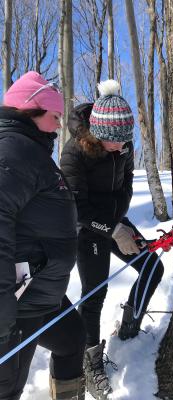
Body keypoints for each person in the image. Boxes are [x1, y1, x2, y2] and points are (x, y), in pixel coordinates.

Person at [60, 80, 164, 399]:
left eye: (124, 143)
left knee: (152, 266)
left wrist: (121, 224)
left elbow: (127, 185)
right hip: (87, 228)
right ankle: (90, 364)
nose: (121, 149)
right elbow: (78, 208)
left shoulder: (124, 144)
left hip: (115, 221)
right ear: (97, 135)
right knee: (94, 296)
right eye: (114, 143)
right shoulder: (74, 152)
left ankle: (129, 328)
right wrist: (112, 232)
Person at [0, 71, 86, 399]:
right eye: (55, 116)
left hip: (41, 295)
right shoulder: (13, 150)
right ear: (31, 110)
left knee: (72, 340)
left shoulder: (31, 150)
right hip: (17, 304)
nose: (59, 125)